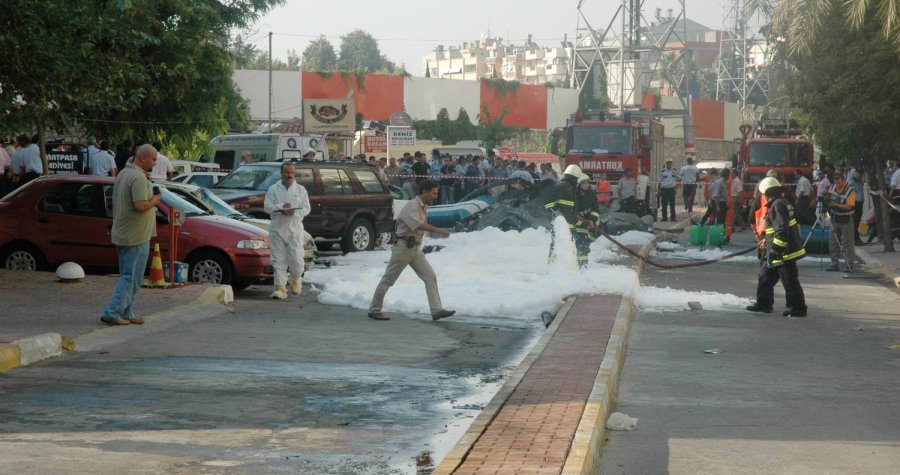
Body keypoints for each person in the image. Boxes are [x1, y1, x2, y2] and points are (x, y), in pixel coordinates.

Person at [368, 180, 455, 322]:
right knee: (388, 279)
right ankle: (374, 309)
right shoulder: (412, 206)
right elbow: (417, 225)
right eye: (433, 193)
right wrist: (438, 230)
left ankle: (437, 310)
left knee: (430, 276)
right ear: (424, 192)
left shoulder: (422, 206)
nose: (435, 196)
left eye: (436, 193)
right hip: (403, 248)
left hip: (414, 248)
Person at [100, 144, 162, 325]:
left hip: (127, 233)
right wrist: (155, 200)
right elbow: (140, 205)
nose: (155, 162)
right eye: (153, 159)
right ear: (143, 158)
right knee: (129, 276)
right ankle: (111, 312)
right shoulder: (137, 178)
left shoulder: (125, 173)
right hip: (135, 236)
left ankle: (127, 311)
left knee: (134, 278)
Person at [746, 177, 808, 317]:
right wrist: (768, 242)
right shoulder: (782, 202)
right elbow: (774, 230)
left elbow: (781, 229)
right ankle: (763, 304)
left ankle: (799, 308)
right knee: (765, 276)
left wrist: (776, 249)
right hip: (776, 249)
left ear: (766, 193)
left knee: (789, 280)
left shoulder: (777, 205)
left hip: (782, 252)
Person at [263, 162, 311, 299]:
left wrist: (293, 213)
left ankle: (296, 280)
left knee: (296, 259)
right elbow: (267, 207)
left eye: (292, 172)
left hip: (294, 230)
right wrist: (281, 207)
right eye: (287, 172)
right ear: (281, 173)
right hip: (277, 229)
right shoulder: (273, 189)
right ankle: (280, 288)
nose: (290, 175)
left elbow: (306, 209)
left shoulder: (301, 190)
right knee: (278, 260)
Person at [545, 164, 581, 263]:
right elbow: (548, 202)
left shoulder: (571, 187)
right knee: (556, 243)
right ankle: (552, 264)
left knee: (567, 245)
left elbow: (572, 206)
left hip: (568, 223)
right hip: (560, 223)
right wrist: (556, 214)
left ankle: (565, 264)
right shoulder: (562, 186)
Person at [825, 172, 857, 272]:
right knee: (833, 242)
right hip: (834, 217)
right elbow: (829, 198)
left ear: (843, 179)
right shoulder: (833, 187)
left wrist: (835, 205)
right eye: (835, 182)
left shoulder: (850, 190)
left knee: (848, 242)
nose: (837, 184)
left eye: (839, 182)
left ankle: (849, 264)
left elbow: (849, 206)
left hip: (846, 219)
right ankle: (834, 264)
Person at [573, 174, 601, 268]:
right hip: (579, 222)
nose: (587, 184)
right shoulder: (574, 196)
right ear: (579, 185)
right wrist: (584, 222)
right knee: (581, 241)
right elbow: (574, 213)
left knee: (590, 237)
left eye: (587, 182)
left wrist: (592, 221)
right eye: (584, 183)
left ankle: (586, 244)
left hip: (590, 221)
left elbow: (596, 210)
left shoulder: (592, 194)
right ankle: (582, 264)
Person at [847, 165, 865, 245]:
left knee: (857, 221)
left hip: (860, 202)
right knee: (854, 221)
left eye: (861, 173)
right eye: (858, 173)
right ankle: (854, 239)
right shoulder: (852, 182)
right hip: (855, 203)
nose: (860, 175)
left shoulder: (860, 181)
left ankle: (856, 238)